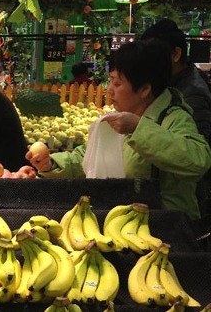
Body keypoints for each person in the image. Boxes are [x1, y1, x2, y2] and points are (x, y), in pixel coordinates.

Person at [26, 39, 211, 220]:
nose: (109, 91)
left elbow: (198, 160)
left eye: (117, 84)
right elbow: (88, 156)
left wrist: (139, 128)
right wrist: (51, 163)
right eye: (110, 82)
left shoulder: (173, 118)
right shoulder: (120, 116)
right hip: (124, 223)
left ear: (145, 89)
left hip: (170, 228)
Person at [141, 19, 211, 144]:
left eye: (152, 57)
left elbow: (197, 151)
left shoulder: (193, 94)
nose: (147, 64)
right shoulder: (172, 82)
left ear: (176, 54)